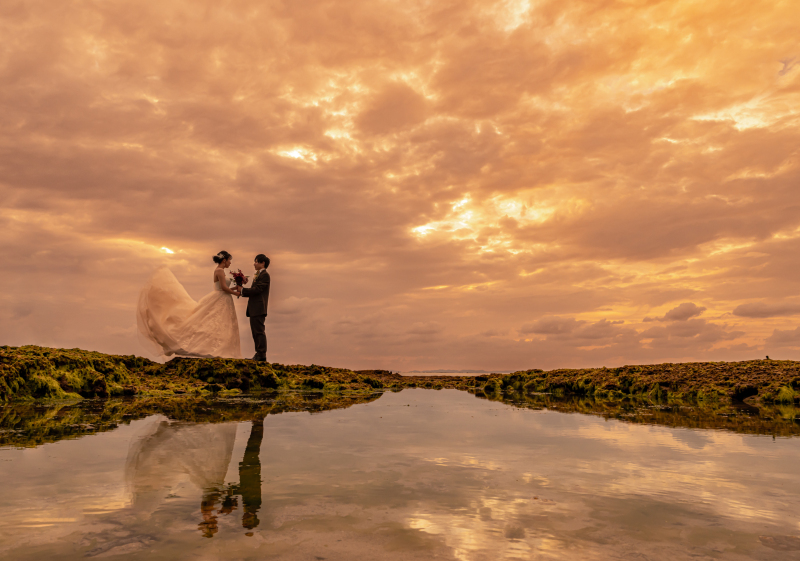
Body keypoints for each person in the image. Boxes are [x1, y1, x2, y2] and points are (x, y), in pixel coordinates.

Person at [136, 251, 242, 358]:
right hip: (221, 299)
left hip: (223, 299)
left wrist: (235, 288)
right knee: (215, 323)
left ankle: (219, 350)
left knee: (221, 324)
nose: (230, 263)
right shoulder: (219, 271)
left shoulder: (221, 271)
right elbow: (223, 288)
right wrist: (235, 292)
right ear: (224, 260)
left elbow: (222, 288)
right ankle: (214, 349)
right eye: (229, 260)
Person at [239, 254, 270, 362]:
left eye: (256, 261)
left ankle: (261, 355)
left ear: (263, 263)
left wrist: (243, 290)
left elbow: (258, 289)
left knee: (259, 331)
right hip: (254, 308)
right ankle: (258, 354)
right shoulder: (258, 275)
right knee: (255, 332)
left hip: (259, 308)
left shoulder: (265, 275)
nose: (254, 263)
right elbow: (255, 289)